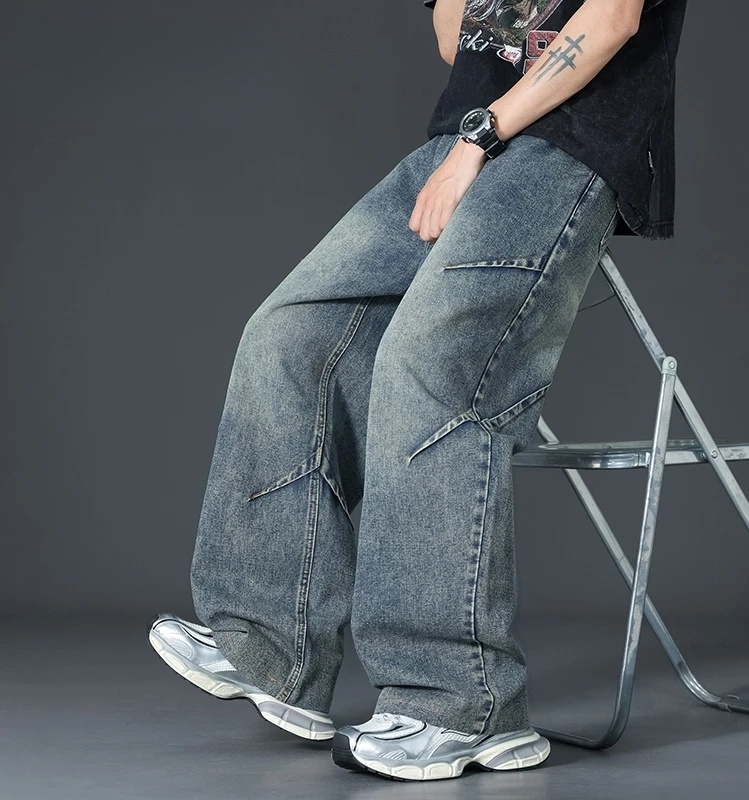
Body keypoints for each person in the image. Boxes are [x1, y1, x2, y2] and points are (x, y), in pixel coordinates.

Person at [148, 0, 688, 782]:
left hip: (567, 149)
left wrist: (481, 138)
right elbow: (460, 41)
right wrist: (471, 139)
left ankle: (462, 704)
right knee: (291, 337)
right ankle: (268, 645)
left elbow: (611, 21)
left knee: (430, 365)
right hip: (465, 141)